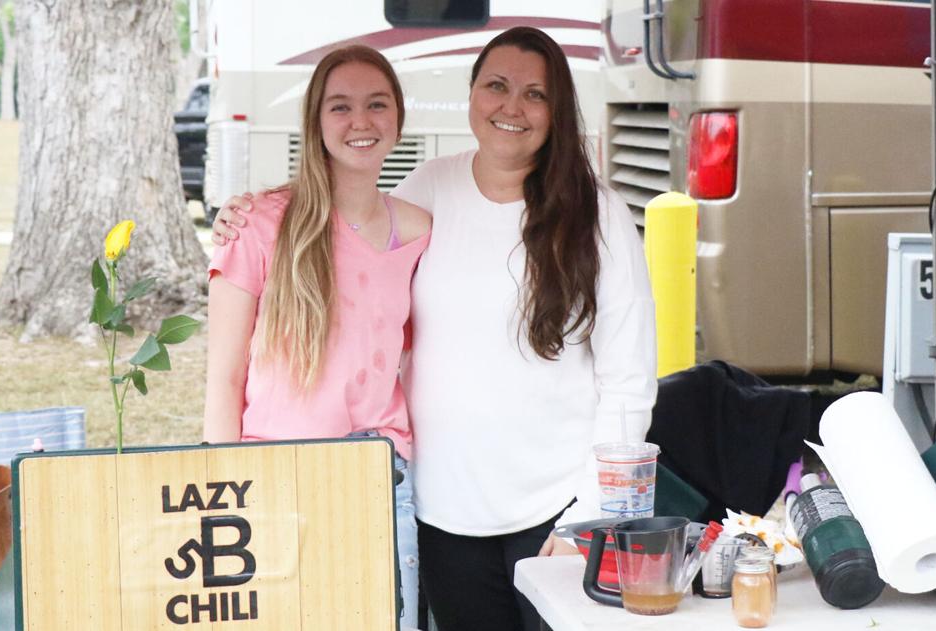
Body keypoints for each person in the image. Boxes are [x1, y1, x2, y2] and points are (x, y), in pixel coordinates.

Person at [212, 27, 656, 631]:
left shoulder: (599, 215)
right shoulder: (424, 195)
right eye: (496, 86)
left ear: (559, 112)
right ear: (471, 94)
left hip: (557, 516)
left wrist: (593, 513)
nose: (512, 107)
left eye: (535, 94)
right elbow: (346, 249)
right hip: (440, 512)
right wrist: (248, 214)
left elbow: (629, 381)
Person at [201, 45, 431, 630]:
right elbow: (224, 378)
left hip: (384, 479)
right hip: (278, 475)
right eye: (341, 106)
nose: (361, 121)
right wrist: (222, 494)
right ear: (315, 122)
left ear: (398, 118)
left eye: (378, 104)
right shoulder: (259, 223)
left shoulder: (420, 231)